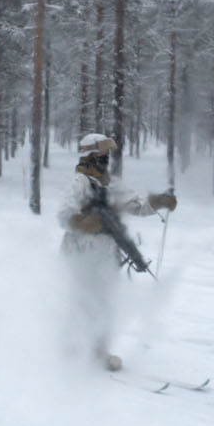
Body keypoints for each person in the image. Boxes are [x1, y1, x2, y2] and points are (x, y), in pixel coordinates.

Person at [57, 133, 177, 371]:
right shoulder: (80, 183)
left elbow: (138, 206)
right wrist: (83, 222)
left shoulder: (113, 184)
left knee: (104, 303)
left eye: (107, 155)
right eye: (102, 154)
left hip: (106, 255)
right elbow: (64, 215)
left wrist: (159, 202)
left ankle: (99, 351)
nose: (106, 159)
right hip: (80, 253)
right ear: (90, 156)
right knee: (81, 301)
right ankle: (70, 346)